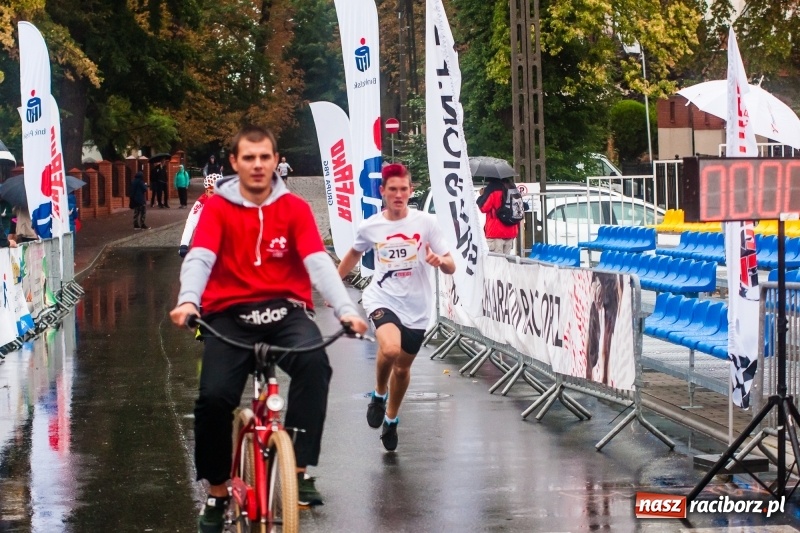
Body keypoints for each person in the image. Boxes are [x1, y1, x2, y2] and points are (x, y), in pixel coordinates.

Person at [168, 125, 368, 532]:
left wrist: (346, 309)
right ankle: (218, 491)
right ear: (235, 163)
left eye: (265, 157)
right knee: (212, 399)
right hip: (229, 315)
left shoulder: (294, 208)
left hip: (285, 312)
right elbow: (200, 258)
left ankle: (298, 468)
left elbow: (317, 262)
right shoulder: (217, 209)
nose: (258, 165)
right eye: (249, 158)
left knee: (315, 365)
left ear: (276, 161)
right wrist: (189, 299)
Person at [336, 163, 455, 451]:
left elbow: (451, 264)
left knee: (402, 370)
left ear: (410, 191)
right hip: (382, 298)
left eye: (404, 189)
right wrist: (333, 284)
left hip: (416, 306)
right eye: (393, 190)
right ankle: (378, 394)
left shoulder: (426, 223)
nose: (399, 195)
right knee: (389, 349)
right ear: (383, 192)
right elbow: (354, 253)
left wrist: (441, 262)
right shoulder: (371, 226)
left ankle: (391, 419)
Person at [178, 173, 220, 258]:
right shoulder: (201, 202)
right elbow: (191, 222)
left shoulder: (228, 202)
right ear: (206, 192)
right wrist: (184, 245)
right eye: (211, 192)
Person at [476, 177, 520, 254]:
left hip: (496, 231)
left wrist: (482, 196)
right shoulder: (512, 186)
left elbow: (484, 208)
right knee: (506, 262)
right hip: (511, 231)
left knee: (497, 263)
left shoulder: (492, 188)